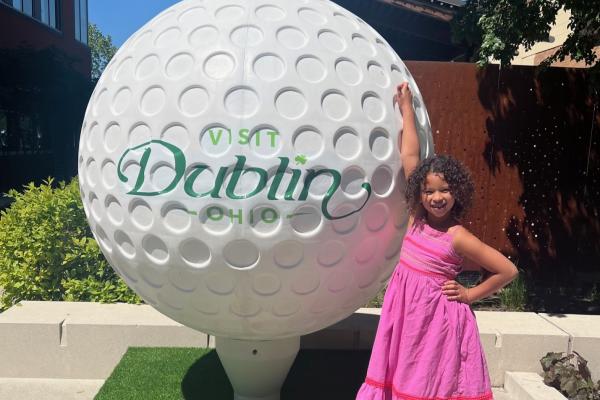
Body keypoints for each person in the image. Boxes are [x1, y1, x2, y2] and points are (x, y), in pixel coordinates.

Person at [355, 82, 519, 400]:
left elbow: (507, 270)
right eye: (429, 191)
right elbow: (410, 155)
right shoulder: (417, 218)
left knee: (426, 381)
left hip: (436, 322)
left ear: (457, 192)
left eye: (444, 190)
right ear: (420, 193)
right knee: (402, 372)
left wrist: (471, 295)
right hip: (406, 314)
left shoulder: (458, 237)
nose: (436, 197)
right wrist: (405, 108)